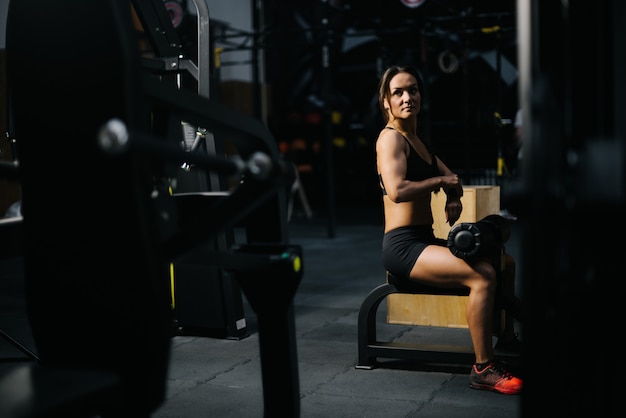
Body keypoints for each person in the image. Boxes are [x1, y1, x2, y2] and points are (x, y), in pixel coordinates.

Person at [375, 65, 523, 395]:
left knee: (505, 262)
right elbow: (397, 190)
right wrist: (441, 183)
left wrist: (453, 193)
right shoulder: (390, 140)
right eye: (397, 92)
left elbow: (451, 176)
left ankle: (509, 339)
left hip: (422, 240)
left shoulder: (418, 141)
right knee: (482, 274)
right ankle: (483, 368)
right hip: (402, 248)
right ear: (386, 102)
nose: (406, 97)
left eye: (412, 89)